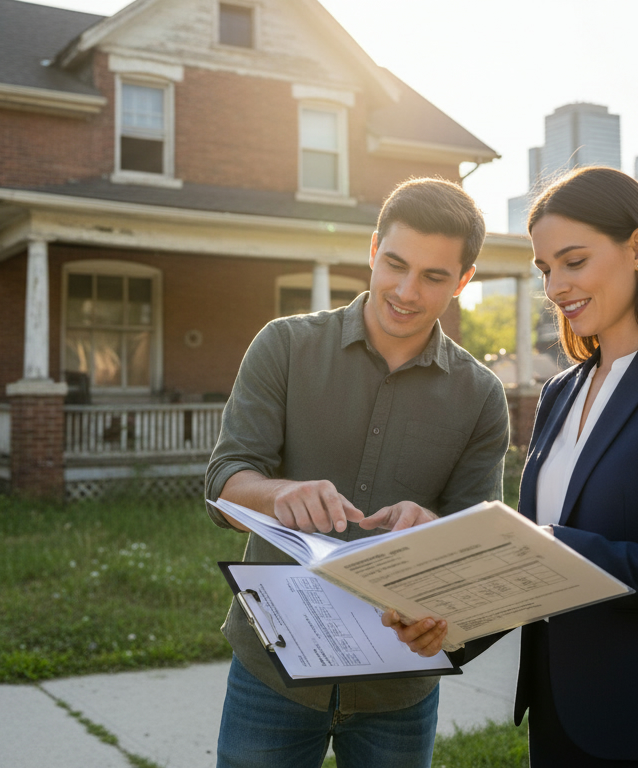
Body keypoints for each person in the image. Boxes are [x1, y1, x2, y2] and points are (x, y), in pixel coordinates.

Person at [389, 166, 638, 766]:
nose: (556, 286)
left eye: (574, 261)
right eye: (544, 269)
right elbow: (524, 562)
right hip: (560, 725)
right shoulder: (561, 391)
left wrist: (556, 546)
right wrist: (448, 623)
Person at [204, 177, 512, 768]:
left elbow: (475, 544)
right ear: (373, 250)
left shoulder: (480, 395)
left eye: (433, 276)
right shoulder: (284, 346)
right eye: (394, 264)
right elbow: (223, 487)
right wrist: (279, 494)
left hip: (398, 684)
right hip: (273, 666)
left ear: (464, 280)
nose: (405, 290)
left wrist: (434, 530)